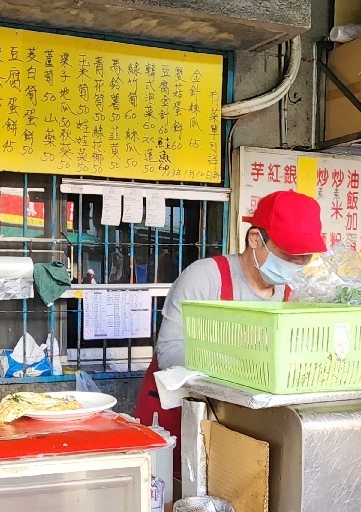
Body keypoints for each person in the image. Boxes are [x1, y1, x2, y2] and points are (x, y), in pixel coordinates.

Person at [135, 190, 327, 445]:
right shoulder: (205, 277)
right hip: (182, 418)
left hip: (247, 426)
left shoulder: (293, 293)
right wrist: (238, 371)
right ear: (255, 239)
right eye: (288, 255)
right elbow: (170, 351)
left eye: (306, 257)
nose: (296, 264)